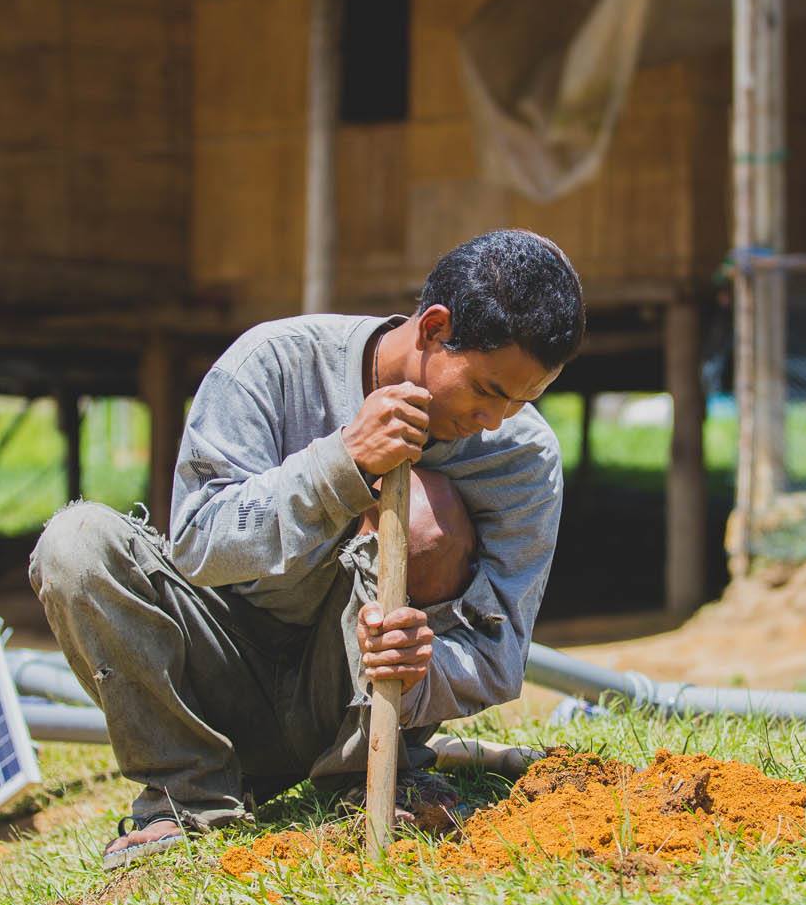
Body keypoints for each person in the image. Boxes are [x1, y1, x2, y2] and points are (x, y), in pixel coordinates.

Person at [29, 229, 585, 869]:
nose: (495, 420)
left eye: (522, 400)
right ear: (435, 329)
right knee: (74, 544)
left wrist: (421, 668)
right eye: (487, 391)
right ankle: (186, 795)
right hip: (217, 674)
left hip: (354, 705)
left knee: (426, 515)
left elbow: (498, 651)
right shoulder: (272, 362)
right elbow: (199, 543)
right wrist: (341, 465)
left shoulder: (521, 456)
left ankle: (373, 774)